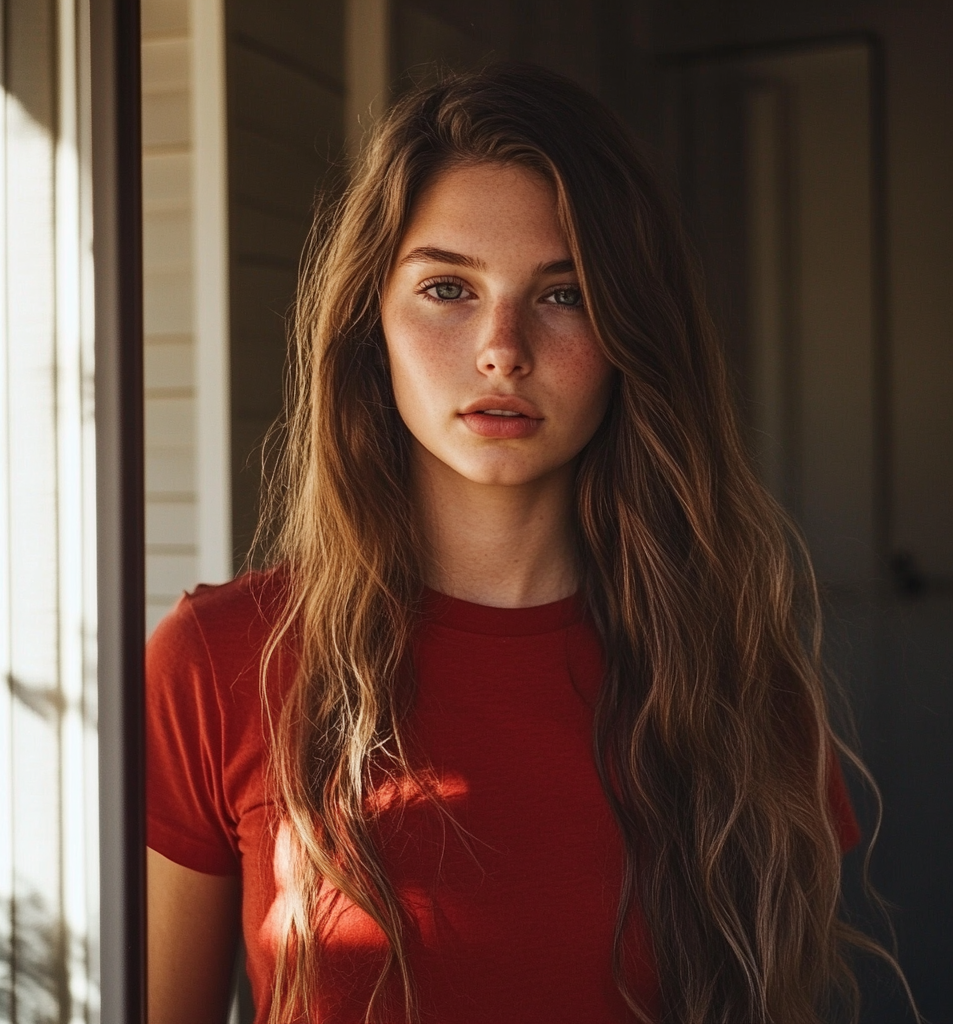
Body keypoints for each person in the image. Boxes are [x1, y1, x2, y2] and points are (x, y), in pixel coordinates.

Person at [146, 63, 886, 1024]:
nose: (502, 346)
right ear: (372, 323)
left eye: (565, 295)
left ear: (631, 332)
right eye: (448, 288)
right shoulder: (221, 659)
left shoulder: (736, 680)